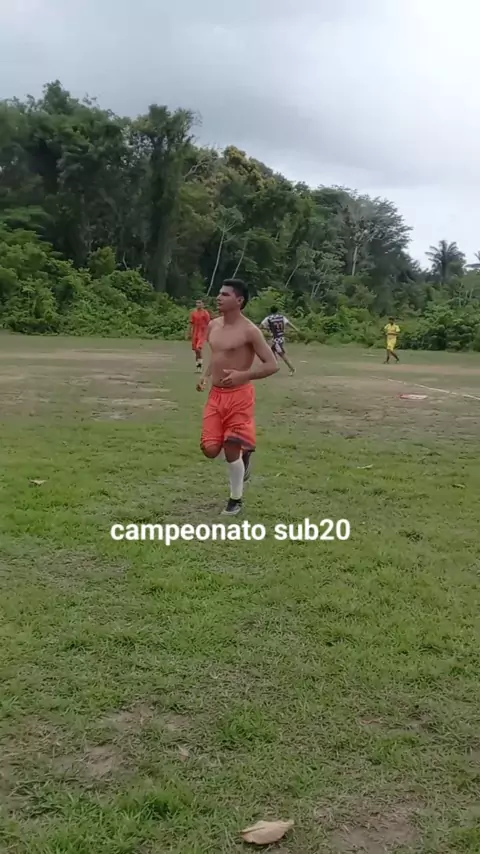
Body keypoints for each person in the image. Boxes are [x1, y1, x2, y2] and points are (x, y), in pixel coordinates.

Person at [197, 279, 279, 515]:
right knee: (210, 449)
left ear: (239, 300)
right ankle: (245, 453)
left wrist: (244, 375)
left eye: (225, 294)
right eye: (219, 293)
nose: (218, 297)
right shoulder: (213, 325)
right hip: (216, 396)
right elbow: (217, 355)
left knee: (231, 447)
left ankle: (235, 501)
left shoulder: (250, 331)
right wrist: (205, 375)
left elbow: (272, 365)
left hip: (240, 395)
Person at [260, 306, 298, 375]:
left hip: (275, 339)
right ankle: (273, 366)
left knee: (282, 354)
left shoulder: (268, 318)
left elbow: (261, 326)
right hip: (281, 337)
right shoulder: (281, 317)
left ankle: (292, 368)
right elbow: (288, 323)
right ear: (277, 311)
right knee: (271, 351)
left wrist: (267, 329)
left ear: (270, 311)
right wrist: (296, 329)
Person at [189, 300, 211, 372]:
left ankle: (200, 367)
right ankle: (198, 367)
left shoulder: (205, 313)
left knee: (198, 348)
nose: (198, 304)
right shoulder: (194, 313)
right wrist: (189, 332)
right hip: (195, 332)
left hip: (202, 333)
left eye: (199, 303)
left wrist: (209, 333)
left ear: (202, 304)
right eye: (197, 303)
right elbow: (191, 323)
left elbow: (209, 323)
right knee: (196, 350)